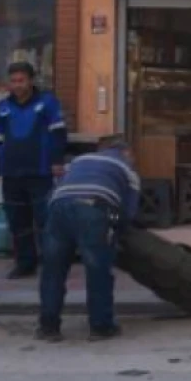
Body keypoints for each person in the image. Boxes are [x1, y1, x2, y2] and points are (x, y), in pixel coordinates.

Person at [37, 136, 141, 342]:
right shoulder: (128, 170)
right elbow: (127, 212)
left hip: (59, 208)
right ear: (126, 152)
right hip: (95, 208)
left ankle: (48, 327)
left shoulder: (78, 161)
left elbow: (53, 194)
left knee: (53, 270)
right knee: (98, 269)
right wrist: (114, 231)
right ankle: (101, 327)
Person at [0, 62, 68, 279]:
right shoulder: (3, 108)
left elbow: (58, 133)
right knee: (17, 222)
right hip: (12, 173)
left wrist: (57, 161)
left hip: (40, 172)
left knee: (45, 221)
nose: (17, 85)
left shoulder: (47, 102)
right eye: (13, 81)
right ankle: (25, 263)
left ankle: (52, 264)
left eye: (21, 80)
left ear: (31, 80)